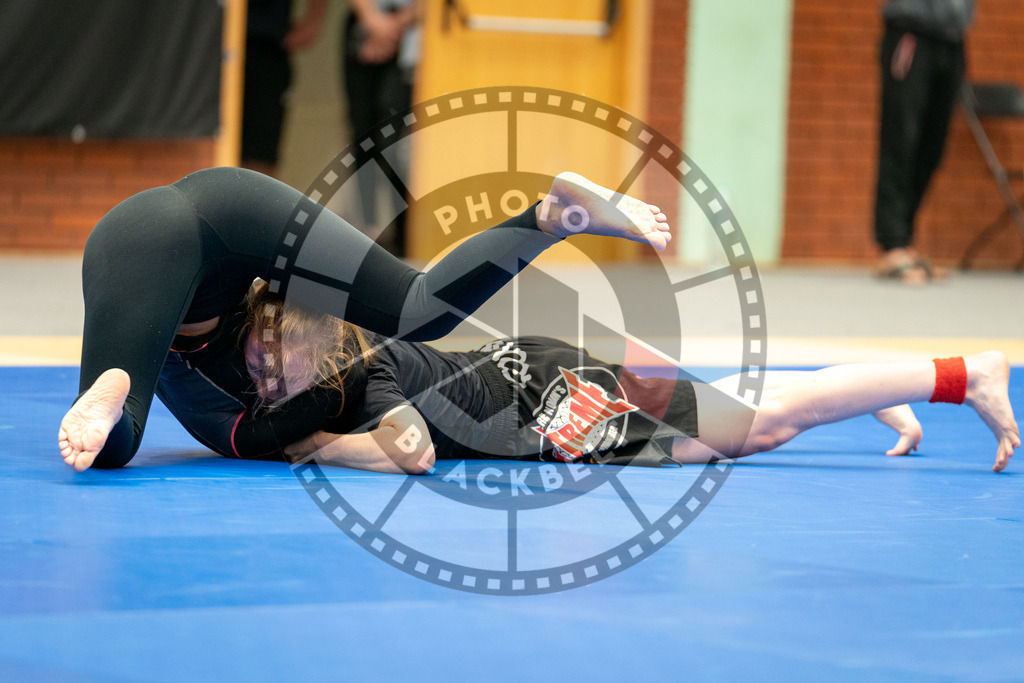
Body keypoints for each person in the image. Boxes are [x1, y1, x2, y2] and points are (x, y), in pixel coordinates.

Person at [57, 169, 672, 472]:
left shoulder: (241, 405)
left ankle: (111, 391)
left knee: (115, 433)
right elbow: (250, 435)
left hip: (130, 246)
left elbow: (250, 436)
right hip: (229, 201)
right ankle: (546, 216)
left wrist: (327, 441)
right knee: (416, 305)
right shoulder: (254, 366)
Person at [874, 0, 973, 284]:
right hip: (911, 33)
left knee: (933, 146)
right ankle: (892, 245)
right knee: (900, 141)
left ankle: (905, 241)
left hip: (953, 38)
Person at [342, 0, 419, 255]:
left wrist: (398, 23)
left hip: (414, 36)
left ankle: (405, 239)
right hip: (362, 28)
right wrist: (371, 20)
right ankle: (368, 232)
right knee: (363, 137)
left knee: (394, 145)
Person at [241, 0, 329, 178]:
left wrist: (313, 20)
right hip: (213, 45)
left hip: (267, 44)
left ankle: (254, 205)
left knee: (260, 153)